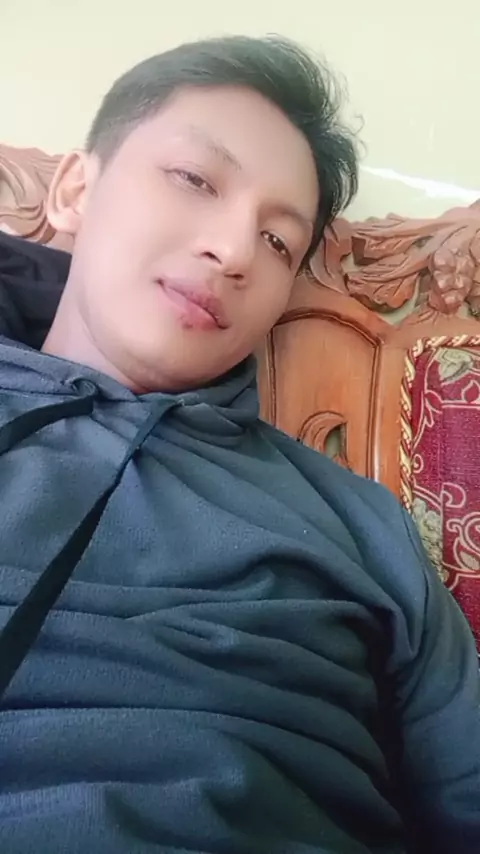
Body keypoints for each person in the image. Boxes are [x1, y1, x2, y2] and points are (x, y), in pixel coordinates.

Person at [0, 34, 478, 854]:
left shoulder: (358, 523)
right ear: (78, 189)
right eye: (195, 179)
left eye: (278, 242)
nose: (231, 252)